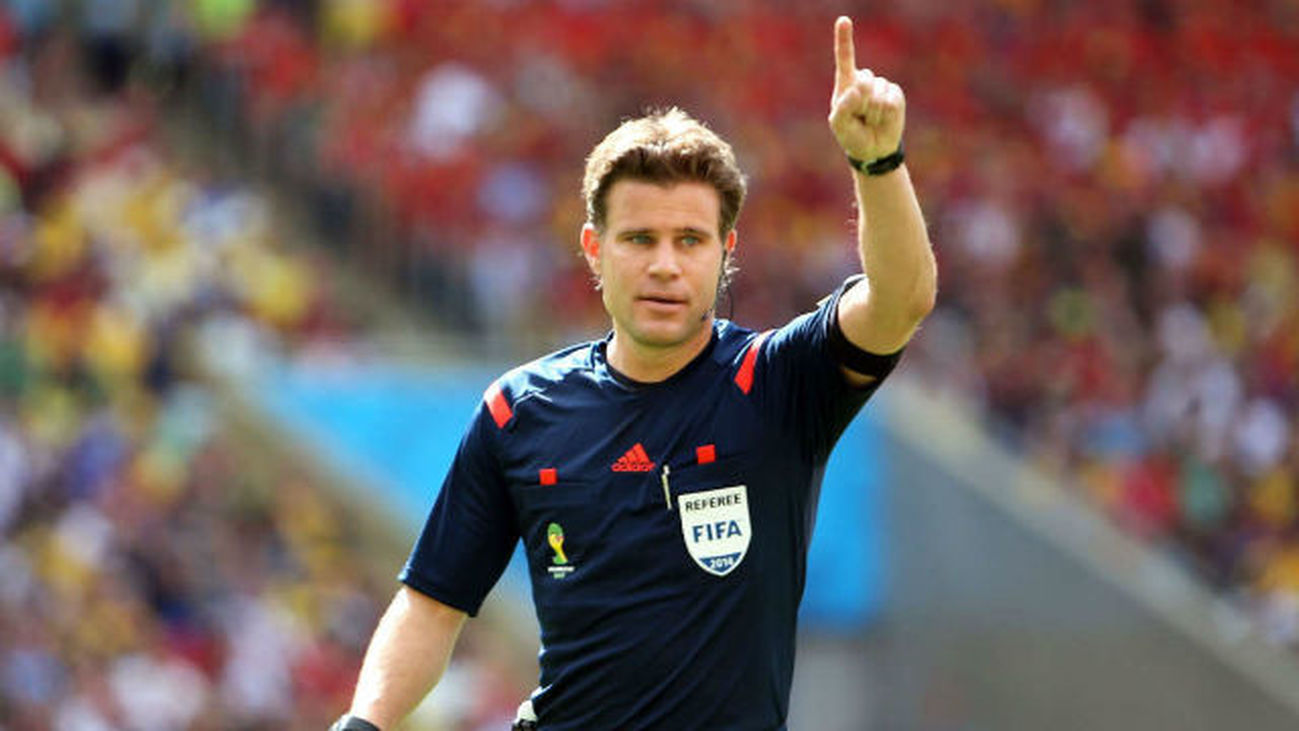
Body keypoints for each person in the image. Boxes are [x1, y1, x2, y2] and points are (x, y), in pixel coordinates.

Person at [331, 16, 936, 731]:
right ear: (594, 247)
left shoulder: (778, 384)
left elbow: (901, 300)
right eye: (640, 239)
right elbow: (432, 602)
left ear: (726, 250)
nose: (664, 265)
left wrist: (877, 163)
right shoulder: (517, 412)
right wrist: (363, 723)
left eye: (689, 240)